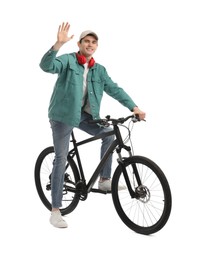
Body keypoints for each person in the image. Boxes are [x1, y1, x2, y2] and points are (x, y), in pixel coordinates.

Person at [39, 22, 146, 228]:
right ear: (79, 44)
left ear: (96, 46)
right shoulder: (68, 60)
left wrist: (134, 107)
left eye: (93, 42)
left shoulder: (99, 70)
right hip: (62, 116)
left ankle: (104, 180)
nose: (90, 44)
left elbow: (115, 89)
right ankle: (55, 210)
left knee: (109, 133)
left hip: (85, 115)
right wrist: (57, 45)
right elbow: (47, 66)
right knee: (61, 158)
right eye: (86, 41)